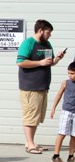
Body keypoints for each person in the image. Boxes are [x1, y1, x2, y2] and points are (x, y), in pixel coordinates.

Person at [17, 19, 65, 154]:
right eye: (48, 32)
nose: (50, 35)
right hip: (30, 87)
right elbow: (20, 62)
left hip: (43, 86)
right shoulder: (28, 43)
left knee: (36, 116)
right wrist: (40, 62)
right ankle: (30, 144)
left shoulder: (47, 44)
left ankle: (30, 142)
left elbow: (49, 63)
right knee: (30, 115)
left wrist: (57, 59)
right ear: (40, 31)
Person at [49, 61, 75, 162]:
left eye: (72, 73)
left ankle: (71, 156)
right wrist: (53, 108)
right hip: (66, 111)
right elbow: (59, 95)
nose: (70, 75)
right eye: (69, 73)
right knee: (62, 133)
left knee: (74, 136)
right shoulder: (65, 83)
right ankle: (55, 156)